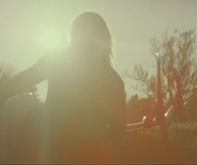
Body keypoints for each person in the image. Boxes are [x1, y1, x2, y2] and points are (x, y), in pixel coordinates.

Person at [0, 12, 127, 163]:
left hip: (51, 145)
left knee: (15, 110)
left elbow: (20, 81)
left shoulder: (58, 59)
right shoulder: (114, 79)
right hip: (88, 153)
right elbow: (118, 128)